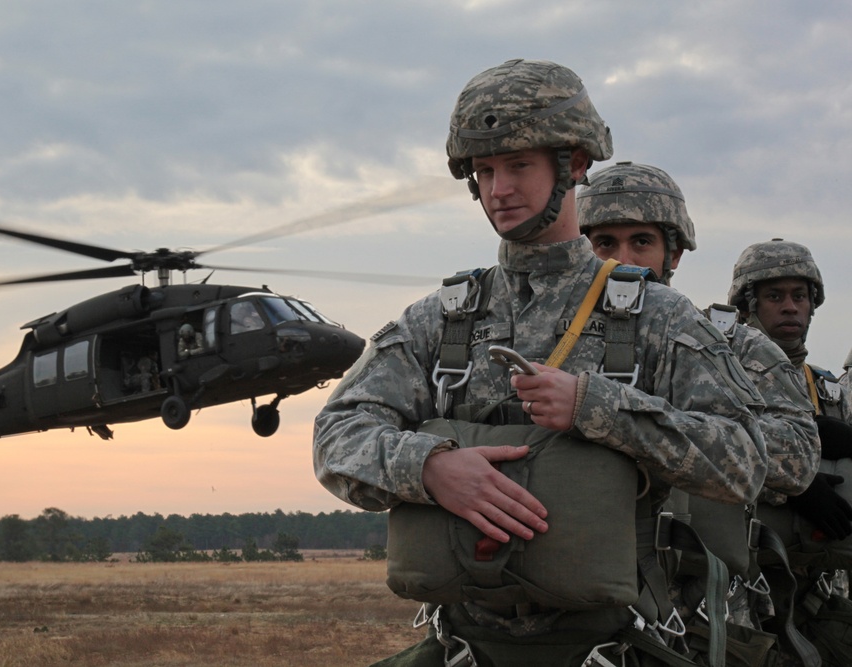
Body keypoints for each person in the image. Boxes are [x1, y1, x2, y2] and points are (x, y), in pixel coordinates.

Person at [313, 59, 767, 666]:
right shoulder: (440, 320)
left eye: (519, 165)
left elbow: (742, 461)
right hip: (464, 646)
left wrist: (596, 407)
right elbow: (337, 435)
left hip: (608, 644)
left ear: (574, 165)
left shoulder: (658, 317)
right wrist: (431, 468)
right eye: (484, 170)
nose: (499, 189)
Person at [578, 162, 820, 660]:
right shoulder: (553, 345)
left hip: (698, 616)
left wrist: (637, 423)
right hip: (575, 604)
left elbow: (796, 458)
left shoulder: (733, 345)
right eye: (604, 243)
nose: (623, 261)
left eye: (641, 242)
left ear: (675, 253)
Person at [728, 239, 852, 666]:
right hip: (740, 589)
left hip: (822, 591)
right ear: (748, 304)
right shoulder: (716, 377)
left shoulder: (829, 391)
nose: (789, 307)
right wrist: (792, 484)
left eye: (799, 296)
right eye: (774, 296)